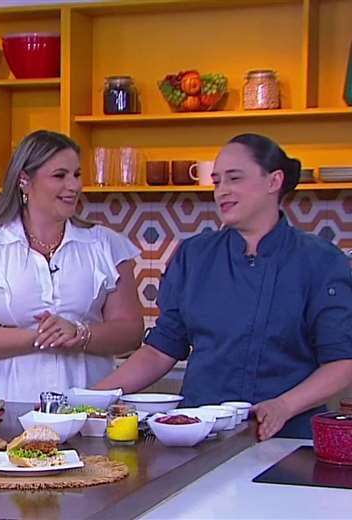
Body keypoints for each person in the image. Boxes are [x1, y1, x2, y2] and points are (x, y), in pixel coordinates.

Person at [94, 133, 352, 440]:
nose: (222, 191)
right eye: (217, 182)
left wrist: (284, 405)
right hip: (199, 439)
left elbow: (342, 361)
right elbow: (160, 350)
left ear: (274, 181)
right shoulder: (194, 255)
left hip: (286, 440)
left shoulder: (321, 261)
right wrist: (91, 399)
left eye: (234, 178)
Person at [0, 130, 144, 402]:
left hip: (89, 409)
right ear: (24, 180)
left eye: (76, 175)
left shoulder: (107, 245)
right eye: (60, 176)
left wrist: (80, 334)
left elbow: (130, 332)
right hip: (7, 407)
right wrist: (40, 337)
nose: (74, 186)